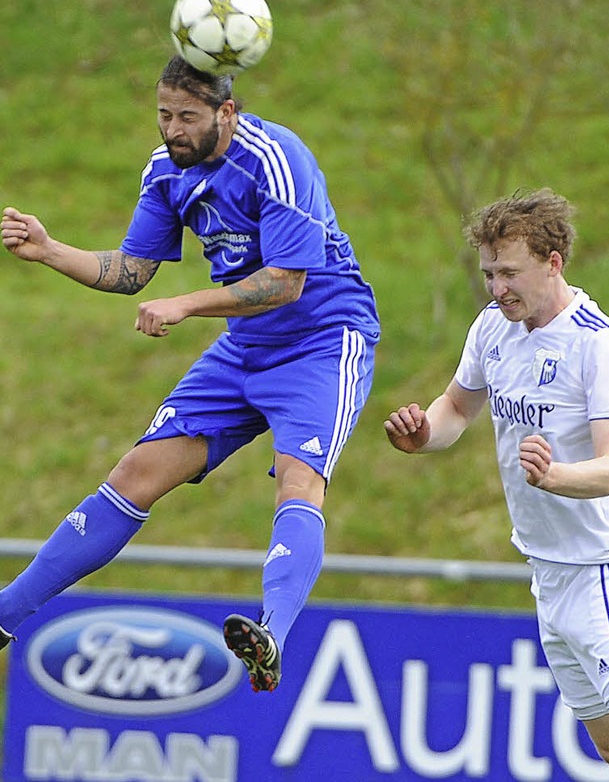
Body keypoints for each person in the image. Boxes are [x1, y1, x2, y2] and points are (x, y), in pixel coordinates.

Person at [0, 55, 380, 693]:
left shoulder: (277, 159)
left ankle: (272, 635)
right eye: (163, 115)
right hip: (244, 346)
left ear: (226, 113)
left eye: (186, 117)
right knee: (136, 474)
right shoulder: (165, 171)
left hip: (323, 341)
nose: (171, 129)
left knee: (298, 480)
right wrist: (50, 249)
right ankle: (6, 613)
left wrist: (188, 304)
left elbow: (287, 282)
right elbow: (131, 271)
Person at [384, 189, 609, 779]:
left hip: (602, 563)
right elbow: (456, 408)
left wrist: (554, 475)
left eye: (509, 273)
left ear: (553, 262)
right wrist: (423, 434)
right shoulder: (492, 329)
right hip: (546, 569)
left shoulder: (602, 346)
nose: (497, 288)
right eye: (489, 273)